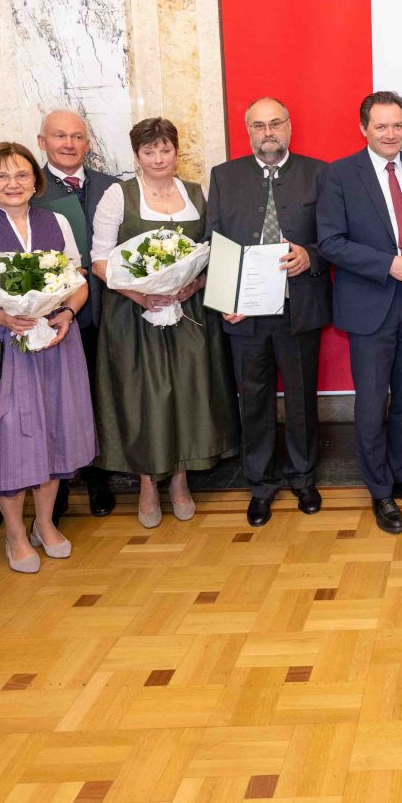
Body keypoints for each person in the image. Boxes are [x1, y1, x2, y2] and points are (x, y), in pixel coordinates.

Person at [0, 142, 97, 573]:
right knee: (8, 437)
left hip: (54, 341)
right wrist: (1, 316)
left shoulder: (56, 221)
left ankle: (45, 523)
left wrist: (65, 313)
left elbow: (77, 283)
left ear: (35, 180)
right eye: (2, 176)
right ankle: (14, 533)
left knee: (53, 430)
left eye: (22, 175)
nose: (13, 184)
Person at [91, 118, 239, 529]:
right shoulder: (117, 197)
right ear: (136, 155)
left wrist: (195, 284)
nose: (158, 158)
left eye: (165, 149)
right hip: (134, 316)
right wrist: (141, 292)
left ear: (177, 151)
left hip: (188, 313)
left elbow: (215, 249)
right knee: (143, 399)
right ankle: (146, 484)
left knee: (188, 394)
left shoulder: (197, 193)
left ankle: (180, 480)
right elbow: (100, 260)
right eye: (149, 151)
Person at [316, 91, 402, 535]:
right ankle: (379, 490)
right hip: (370, 304)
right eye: (381, 126)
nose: (391, 134)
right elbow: (330, 242)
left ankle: (401, 474)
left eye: (397, 125)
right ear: (364, 129)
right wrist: (386, 263)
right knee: (372, 405)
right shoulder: (339, 175)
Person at [206, 97, 331, 527]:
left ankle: (303, 477)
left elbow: (336, 239)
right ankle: (260, 485)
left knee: (300, 399)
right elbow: (214, 241)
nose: (268, 133)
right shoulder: (225, 176)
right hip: (245, 313)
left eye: (275, 123)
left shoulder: (319, 173)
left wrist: (310, 256)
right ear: (248, 132)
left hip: (299, 307)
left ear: (289, 126)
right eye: (258, 126)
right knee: (253, 401)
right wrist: (227, 299)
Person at [34, 109, 120, 521]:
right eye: (59, 136)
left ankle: (98, 477)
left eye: (77, 137)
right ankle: (59, 486)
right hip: (54, 313)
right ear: (42, 142)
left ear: (88, 144)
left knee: (98, 396)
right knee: (55, 400)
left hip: (109, 309)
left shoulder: (113, 186)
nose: (69, 144)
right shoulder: (27, 188)